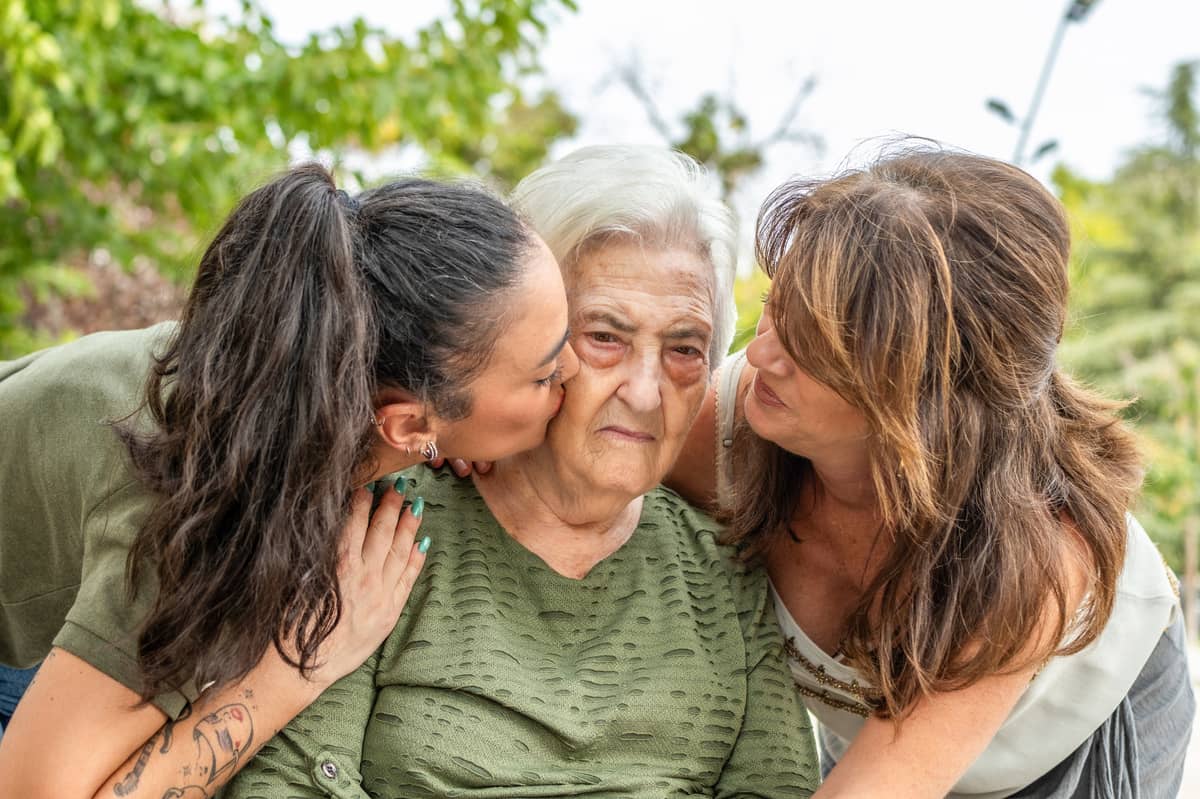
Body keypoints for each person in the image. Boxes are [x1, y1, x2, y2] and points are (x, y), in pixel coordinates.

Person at [222, 146, 820, 799]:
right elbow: (286, 782)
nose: (646, 392)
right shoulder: (383, 524)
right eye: (605, 336)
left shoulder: (727, 578)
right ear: (529, 338)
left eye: (684, 348)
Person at [0, 162, 578, 798]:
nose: (575, 369)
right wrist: (302, 664)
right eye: (543, 375)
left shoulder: (296, 383)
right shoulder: (210, 503)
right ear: (404, 420)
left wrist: (437, 439)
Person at [668, 147, 1193, 797]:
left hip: (1081, 722)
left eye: (813, 344)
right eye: (779, 306)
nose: (764, 353)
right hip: (888, 731)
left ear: (918, 398)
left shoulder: (1034, 553)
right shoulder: (736, 421)